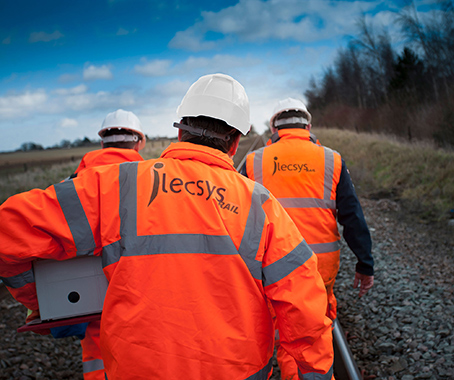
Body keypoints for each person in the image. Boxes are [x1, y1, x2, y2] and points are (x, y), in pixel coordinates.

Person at [0, 74, 334, 380]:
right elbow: (304, 303)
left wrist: (50, 301)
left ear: (179, 131)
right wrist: (312, 373)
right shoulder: (260, 205)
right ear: (234, 142)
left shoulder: (113, 186)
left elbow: (8, 231)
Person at [239, 97, 374, 380]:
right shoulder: (331, 159)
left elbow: (234, 216)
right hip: (320, 267)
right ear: (308, 126)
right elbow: (352, 217)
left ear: (274, 128)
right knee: (312, 330)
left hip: (271, 267)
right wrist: (365, 264)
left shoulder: (254, 162)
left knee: (284, 331)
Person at [71, 109, 146, 380]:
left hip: (90, 289)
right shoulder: (151, 179)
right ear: (140, 143)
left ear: (102, 142)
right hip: (140, 285)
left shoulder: (74, 183)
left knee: (97, 355)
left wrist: (37, 300)